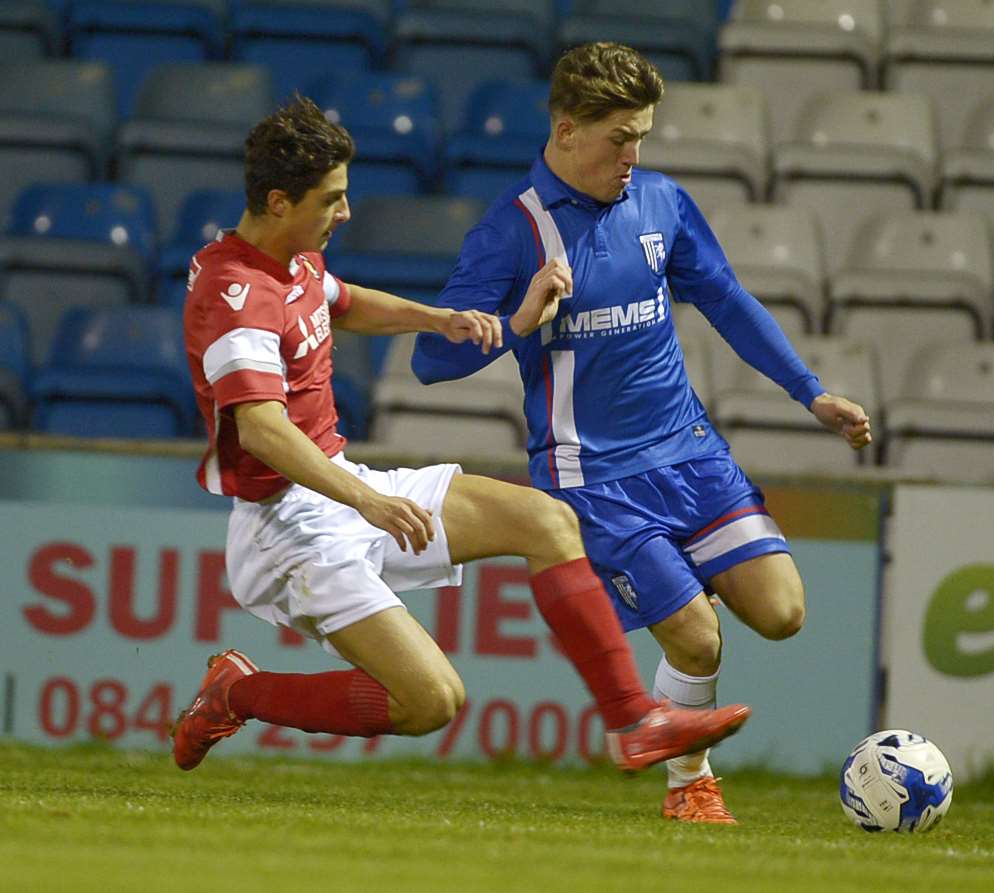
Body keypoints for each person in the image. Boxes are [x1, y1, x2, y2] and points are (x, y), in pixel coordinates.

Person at [172, 96, 752, 778]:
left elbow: (343, 302)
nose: (346, 211)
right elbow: (263, 431)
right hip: (285, 531)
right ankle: (236, 691)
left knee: (547, 520)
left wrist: (438, 318)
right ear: (277, 201)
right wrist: (366, 500)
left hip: (336, 483)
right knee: (430, 701)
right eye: (332, 199)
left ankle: (635, 720)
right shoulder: (234, 295)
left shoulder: (290, 258)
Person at [412, 43, 871, 824]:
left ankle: (680, 745)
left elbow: (725, 298)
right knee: (697, 640)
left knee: (782, 611)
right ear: (564, 131)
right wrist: (519, 317)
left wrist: (811, 393)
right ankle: (689, 784)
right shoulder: (512, 232)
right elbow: (428, 360)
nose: (633, 155)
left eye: (641, 138)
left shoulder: (660, 202)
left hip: (690, 452)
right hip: (593, 479)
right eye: (619, 138)